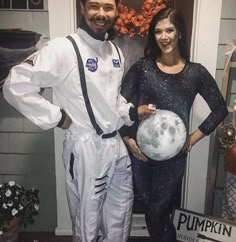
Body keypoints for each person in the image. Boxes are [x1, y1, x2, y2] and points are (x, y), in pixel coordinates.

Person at [3, 0, 153, 241]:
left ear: (116, 11)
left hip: (115, 146)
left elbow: (111, 101)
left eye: (108, 7)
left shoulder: (114, 51)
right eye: (94, 6)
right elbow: (15, 85)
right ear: (82, 8)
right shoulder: (63, 48)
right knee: (88, 224)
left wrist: (133, 112)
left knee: (120, 219)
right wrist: (58, 117)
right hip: (86, 148)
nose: (101, 13)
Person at [120, 7, 229, 242]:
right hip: (141, 156)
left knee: (159, 209)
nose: (164, 36)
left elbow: (220, 108)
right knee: (151, 210)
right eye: (158, 31)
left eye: (169, 30)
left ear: (179, 32)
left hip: (173, 158)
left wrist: (193, 138)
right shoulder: (142, 68)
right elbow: (117, 105)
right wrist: (128, 138)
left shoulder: (195, 72)